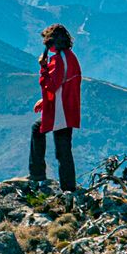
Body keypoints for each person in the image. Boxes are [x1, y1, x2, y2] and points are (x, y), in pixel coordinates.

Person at [30, 23, 82, 191]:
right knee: (63, 148)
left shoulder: (59, 60)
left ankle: (37, 174)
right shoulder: (70, 56)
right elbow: (60, 84)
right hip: (68, 107)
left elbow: (51, 85)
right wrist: (44, 101)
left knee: (41, 132)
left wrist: (43, 68)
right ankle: (69, 188)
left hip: (61, 111)